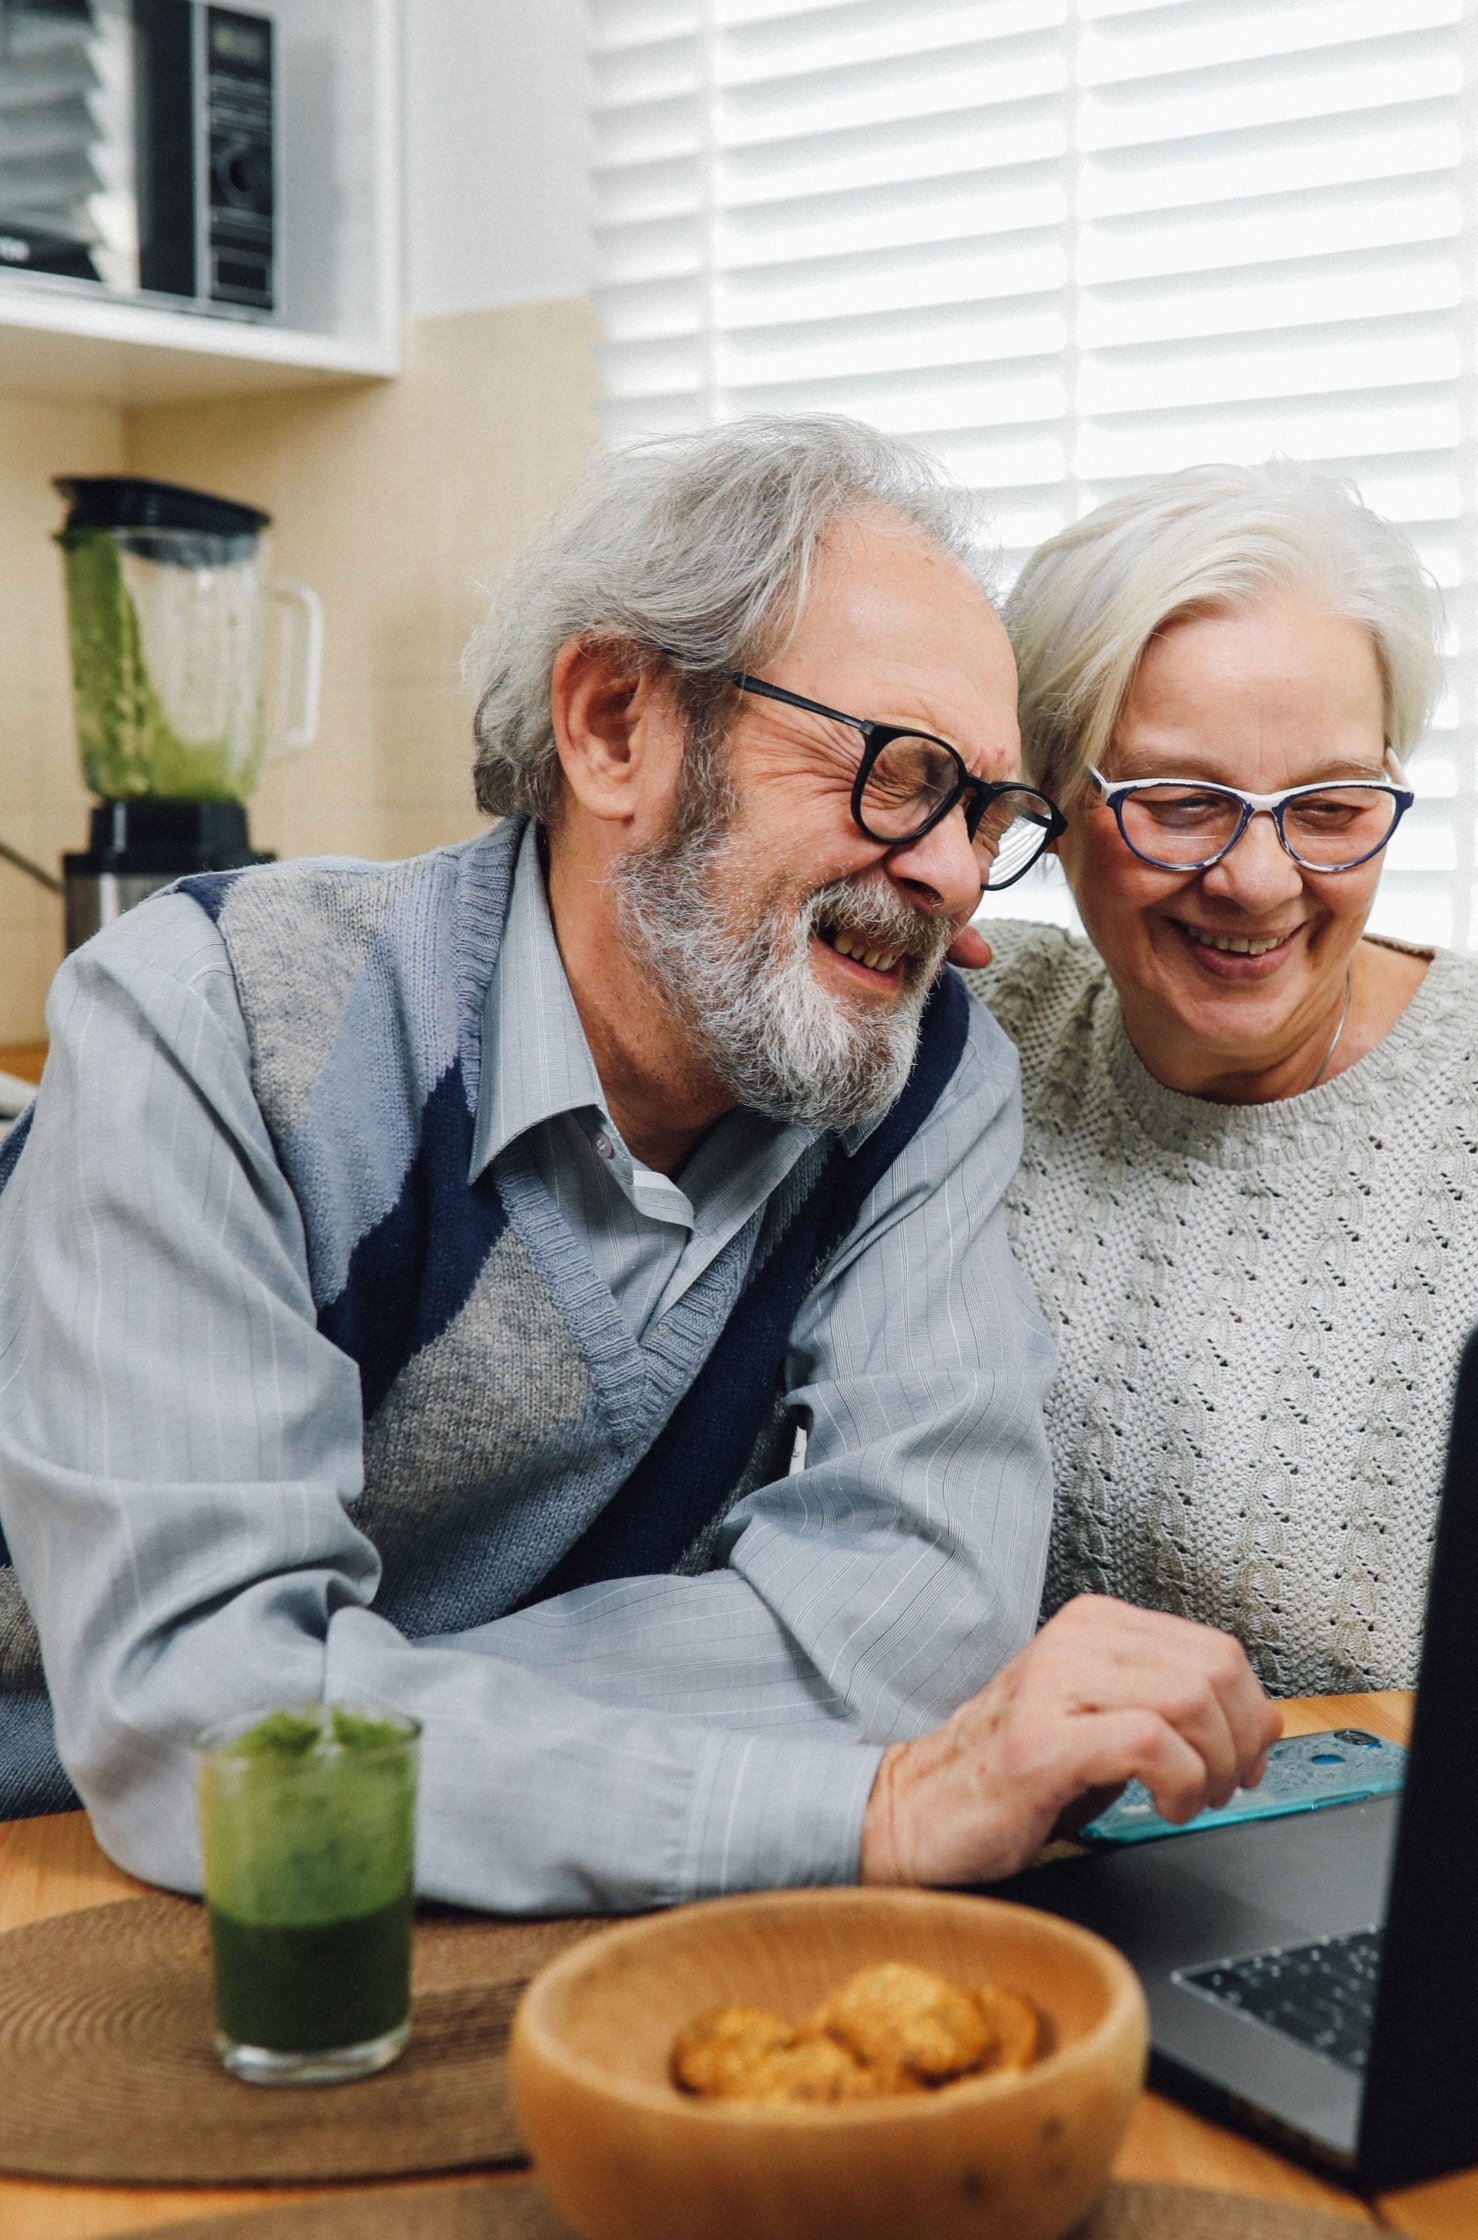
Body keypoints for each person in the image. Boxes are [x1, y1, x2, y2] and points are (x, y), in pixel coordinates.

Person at [0, 417, 1278, 1909]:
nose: (943, 869)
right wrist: (855, 1802)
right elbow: (195, 1730)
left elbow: (920, 1620)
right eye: (897, 772)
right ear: (616, 726)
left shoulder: (918, 1078)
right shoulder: (210, 1013)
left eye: (984, 815)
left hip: (436, 1890)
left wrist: (347, 1703)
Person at [974, 461, 1478, 1696]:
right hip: (1008, 1834)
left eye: (1331, 805)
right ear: (1051, 800)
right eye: (1180, 804)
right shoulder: (968, 1034)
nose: (1257, 879)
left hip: (1431, 1838)